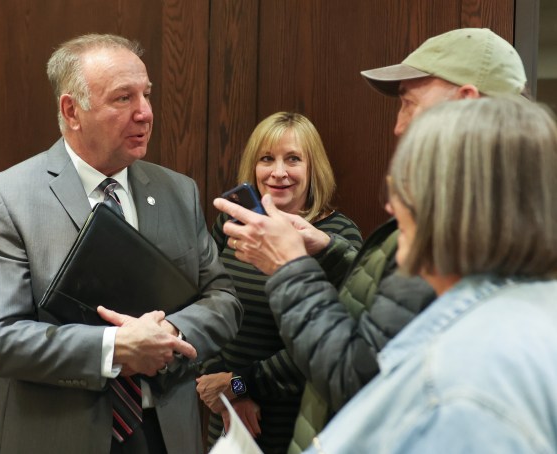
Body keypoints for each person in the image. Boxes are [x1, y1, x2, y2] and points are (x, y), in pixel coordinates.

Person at [212, 28, 528, 453]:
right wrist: (322, 251)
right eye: (267, 158)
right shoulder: (473, 203)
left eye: (409, 104)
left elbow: (357, 374)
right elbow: (374, 305)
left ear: (466, 102)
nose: (398, 127)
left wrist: (289, 268)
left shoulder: (471, 222)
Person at [0, 33, 242, 454]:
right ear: (71, 111)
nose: (145, 113)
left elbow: (222, 298)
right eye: (123, 98)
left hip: (164, 433)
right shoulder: (8, 197)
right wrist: (114, 349)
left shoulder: (178, 191)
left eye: (147, 95)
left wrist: (169, 333)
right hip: (53, 438)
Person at [306, 96, 557, 453]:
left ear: (459, 204)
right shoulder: (529, 311)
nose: (391, 206)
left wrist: (291, 268)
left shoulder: (464, 383)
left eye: (406, 186)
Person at [195, 112, 363, 453]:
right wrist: (226, 390)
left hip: (298, 418)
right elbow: (204, 300)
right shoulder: (233, 221)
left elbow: (332, 337)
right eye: (267, 159)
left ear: (313, 167)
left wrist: (243, 386)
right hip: (227, 413)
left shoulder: (335, 236)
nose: (278, 172)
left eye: (293, 159)